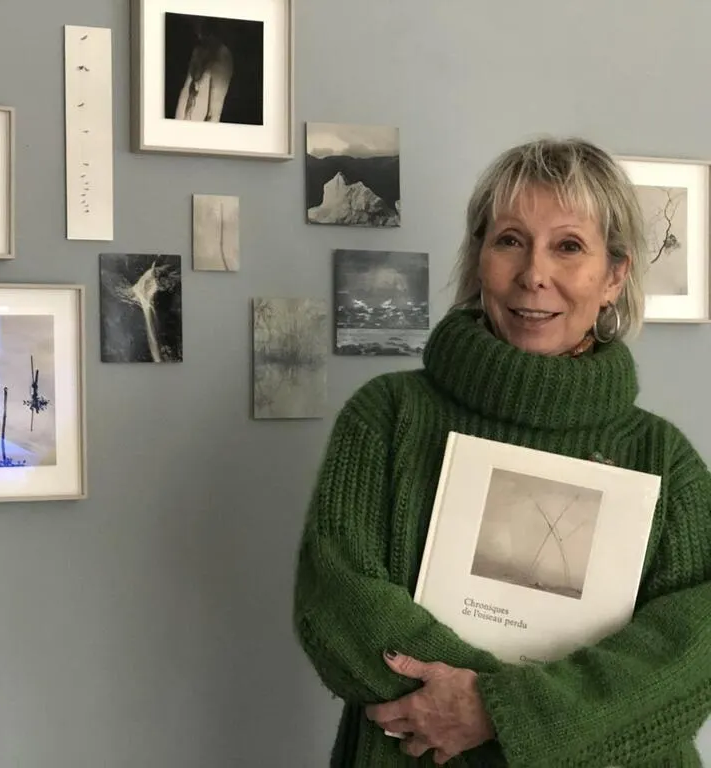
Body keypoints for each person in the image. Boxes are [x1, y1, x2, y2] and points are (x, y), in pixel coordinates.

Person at [292, 136, 711, 766]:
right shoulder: (387, 418)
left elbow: (694, 649)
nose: (533, 274)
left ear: (614, 277)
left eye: (568, 246)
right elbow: (338, 600)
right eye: (510, 240)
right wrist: (480, 708)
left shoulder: (664, 461)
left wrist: (499, 710)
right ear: (479, 257)